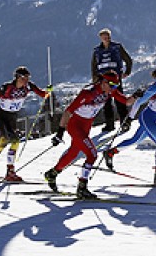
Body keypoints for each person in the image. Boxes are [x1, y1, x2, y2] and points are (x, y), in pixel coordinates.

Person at [44, 71, 134, 199]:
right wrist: (60, 133)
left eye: (116, 86)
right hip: (75, 125)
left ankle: (52, 174)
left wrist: (137, 95)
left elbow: (126, 102)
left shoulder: (109, 91)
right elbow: (67, 112)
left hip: (86, 126)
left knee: (73, 153)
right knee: (92, 154)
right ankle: (82, 187)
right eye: (112, 85)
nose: (113, 89)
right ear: (103, 82)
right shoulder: (88, 93)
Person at [0, 66, 50, 181]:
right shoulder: (6, 88)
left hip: (12, 117)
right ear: (17, 77)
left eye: (28, 77)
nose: (26, 80)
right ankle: (10, 171)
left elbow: (43, 94)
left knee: (8, 141)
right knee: (11, 140)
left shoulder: (28, 86)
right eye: (23, 77)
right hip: (2, 117)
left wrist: (48, 91)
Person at [91, 28, 133, 133]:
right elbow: (94, 66)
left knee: (120, 100)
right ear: (100, 38)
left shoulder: (117, 47)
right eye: (104, 36)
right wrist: (95, 79)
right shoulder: (96, 51)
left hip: (115, 78)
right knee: (106, 102)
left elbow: (128, 59)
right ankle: (109, 125)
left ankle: (124, 122)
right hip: (102, 80)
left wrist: (127, 71)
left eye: (108, 36)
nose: (106, 38)